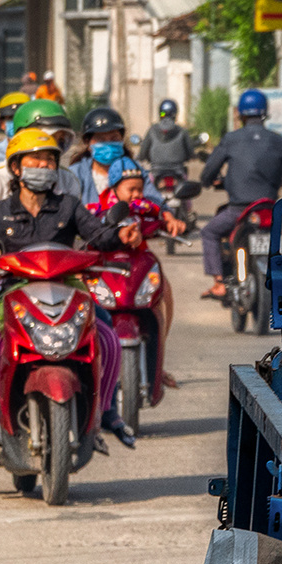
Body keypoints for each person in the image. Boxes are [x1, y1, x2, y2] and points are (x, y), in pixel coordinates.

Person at [0, 128, 144, 448]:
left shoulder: (69, 206)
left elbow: (98, 236)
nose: (44, 167)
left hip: (67, 286)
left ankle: (104, 413)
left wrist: (120, 236)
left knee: (109, 340)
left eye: (50, 162)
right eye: (36, 160)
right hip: (15, 289)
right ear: (16, 168)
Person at [0, 99, 82, 442]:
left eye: (55, 145)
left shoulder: (68, 184)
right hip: (7, 277)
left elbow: (84, 233)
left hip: (59, 277)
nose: (45, 158)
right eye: (37, 147)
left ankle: (101, 411)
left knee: (102, 327)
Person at [91, 156, 186, 395]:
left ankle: (157, 360)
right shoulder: (99, 209)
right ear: (113, 188)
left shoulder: (143, 208)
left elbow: (158, 215)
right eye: (130, 189)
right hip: (106, 268)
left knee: (164, 290)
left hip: (137, 267)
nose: (136, 194)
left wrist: (170, 221)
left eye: (140, 189)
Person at [198, 88, 282, 300]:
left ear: (239, 114)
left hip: (239, 210)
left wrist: (207, 181)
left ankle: (219, 283)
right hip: (271, 210)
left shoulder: (231, 139)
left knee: (209, 233)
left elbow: (209, 172)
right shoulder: (279, 141)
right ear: (265, 112)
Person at [138, 99, 193, 179]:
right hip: (178, 171)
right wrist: (192, 156)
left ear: (160, 113)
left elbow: (144, 150)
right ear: (175, 114)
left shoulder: (152, 130)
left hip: (156, 170)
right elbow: (190, 150)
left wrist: (141, 157)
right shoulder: (182, 131)